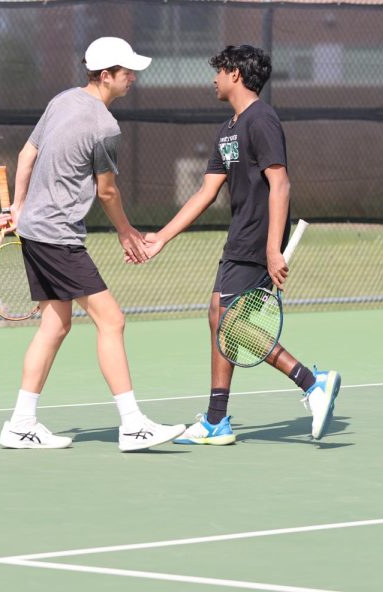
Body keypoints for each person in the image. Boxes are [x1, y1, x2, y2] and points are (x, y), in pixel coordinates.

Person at [143, 44, 341, 444]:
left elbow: (280, 183)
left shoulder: (262, 120)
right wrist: (162, 237)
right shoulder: (228, 129)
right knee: (219, 315)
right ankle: (217, 419)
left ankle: (312, 381)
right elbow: (205, 192)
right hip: (241, 234)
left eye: (218, 71)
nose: (212, 79)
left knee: (231, 323)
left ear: (235, 74)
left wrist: (272, 249)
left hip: (257, 236)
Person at [0, 36, 185, 452]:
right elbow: (107, 193)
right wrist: (126, 231)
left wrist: (18, 209)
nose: (133, 77)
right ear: (106, 76)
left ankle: (20, 423)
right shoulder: (105, 126)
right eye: (126, 72)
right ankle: (133, 425)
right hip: (58, 237)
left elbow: (27, 155)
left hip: (35, 232)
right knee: (112, 320)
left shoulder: (61, 100)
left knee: (55, 324)